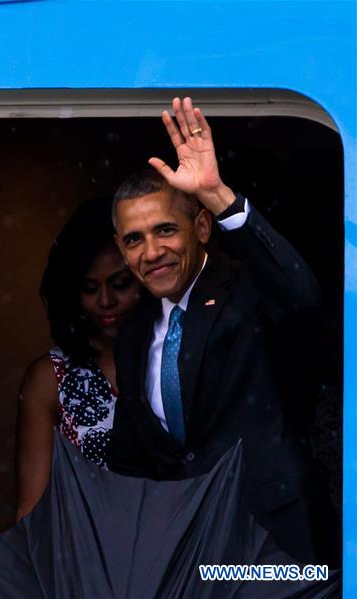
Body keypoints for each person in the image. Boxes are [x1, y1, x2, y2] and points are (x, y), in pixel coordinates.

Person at [107, 97, 339, 565]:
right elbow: (132, 459)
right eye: (134, 239)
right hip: (187, 553)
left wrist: (218, 194)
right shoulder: (133, 335)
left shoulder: (248, 294)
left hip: (272, 544)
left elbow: (301, 296)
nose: (151, 252)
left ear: (201, 228)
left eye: (165, 230)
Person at [15, 198, 142, 520]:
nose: (105, 300)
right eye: (89, 288)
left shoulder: (179, 358)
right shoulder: (51, 378)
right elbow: (32, 509)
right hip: (86, 558)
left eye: (120, 284)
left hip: (176, 551)